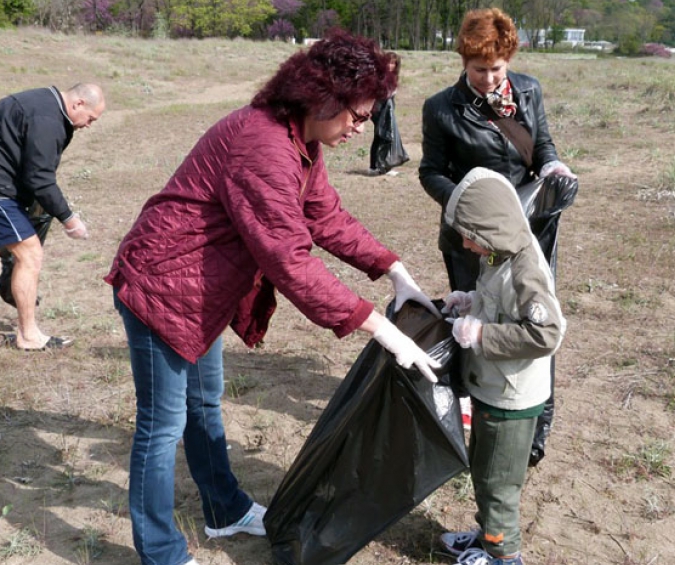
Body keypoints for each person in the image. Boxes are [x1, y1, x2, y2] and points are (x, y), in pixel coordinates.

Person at [104, 29, 442, 565]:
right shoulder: (262, 145)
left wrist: (393, 270)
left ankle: (223, 510)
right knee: (161, 427)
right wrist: (381, 328)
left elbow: (325, 216)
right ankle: (161, 553)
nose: (362, 128)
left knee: (203, 404)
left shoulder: (300, 141)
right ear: (324, 98)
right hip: (161, 287)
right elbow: (289, 258)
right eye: (358, 116)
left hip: (201, 293)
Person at [419, 7, 576, 464]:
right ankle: (475, 408)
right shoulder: (440, 108)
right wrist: (466, 207)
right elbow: (431, 172)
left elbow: (541, 145)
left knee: (531, 315)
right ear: (463, 62)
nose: (489, 79)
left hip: (527, 229)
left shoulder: (528, 91)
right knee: (474, 316)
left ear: (509, 61)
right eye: (478, 69)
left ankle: (536, 422)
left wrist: (553, 166)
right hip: (470, 234)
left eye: (497, 69)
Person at [438, 167, 566, 565]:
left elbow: (547, 333)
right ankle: (486, 537)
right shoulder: (498, 254)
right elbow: (498, 302)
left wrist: (481, 335)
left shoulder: (525, 269)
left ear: (492, 225)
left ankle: (503, 554)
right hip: (492, 388)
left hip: (512, 400)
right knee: (484, 471)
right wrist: (470, 302)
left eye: (470, 233)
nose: (464, 242)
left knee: (499, 485)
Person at [0, 83, 105, 351]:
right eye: (90, 118)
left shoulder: (39, 98)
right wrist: (69, 219)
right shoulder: (48, 120)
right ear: (78, 104)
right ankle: (28, 335)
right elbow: (40, 178)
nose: (88, 125)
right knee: (30, 254)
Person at [368, 53, 409, 176]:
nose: (390, 65)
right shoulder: (379, 76)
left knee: (385, 136)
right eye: (388, 62)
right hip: (378, 109)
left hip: (387, 110)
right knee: (380, 135)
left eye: (393, 63)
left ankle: (384, 165)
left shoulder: (393, 77)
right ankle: (374, 166)